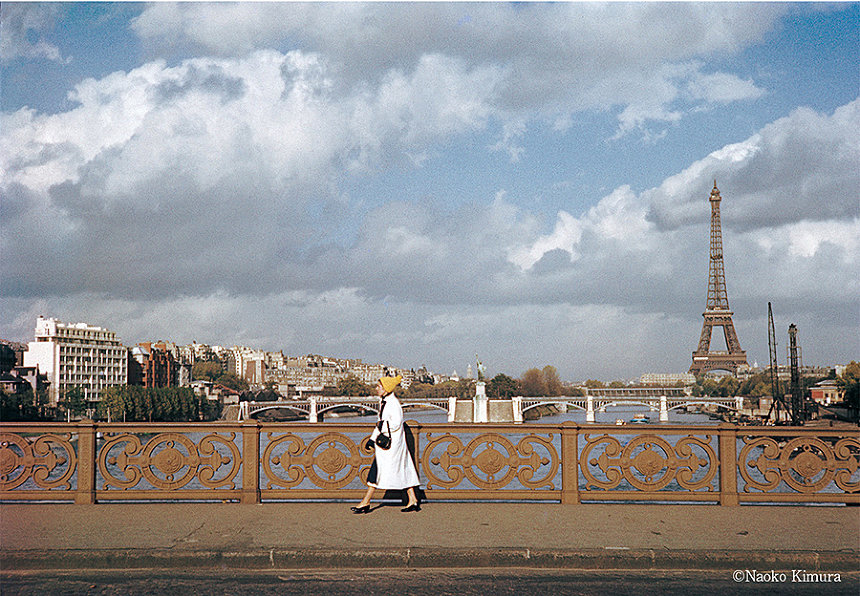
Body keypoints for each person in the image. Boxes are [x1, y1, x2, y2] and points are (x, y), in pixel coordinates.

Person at [351, 375, 421, 513]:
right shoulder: (385, 402)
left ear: (386, 389)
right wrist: (372, 438)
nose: (376, 389)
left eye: (379, 386)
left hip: (391, 446)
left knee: (377, 472)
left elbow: (394, 424)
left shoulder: (393, 404)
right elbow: (382, 423)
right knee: (401, 470)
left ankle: (366, 502)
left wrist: (380, 430)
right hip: (388, 445)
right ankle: (412, 499)